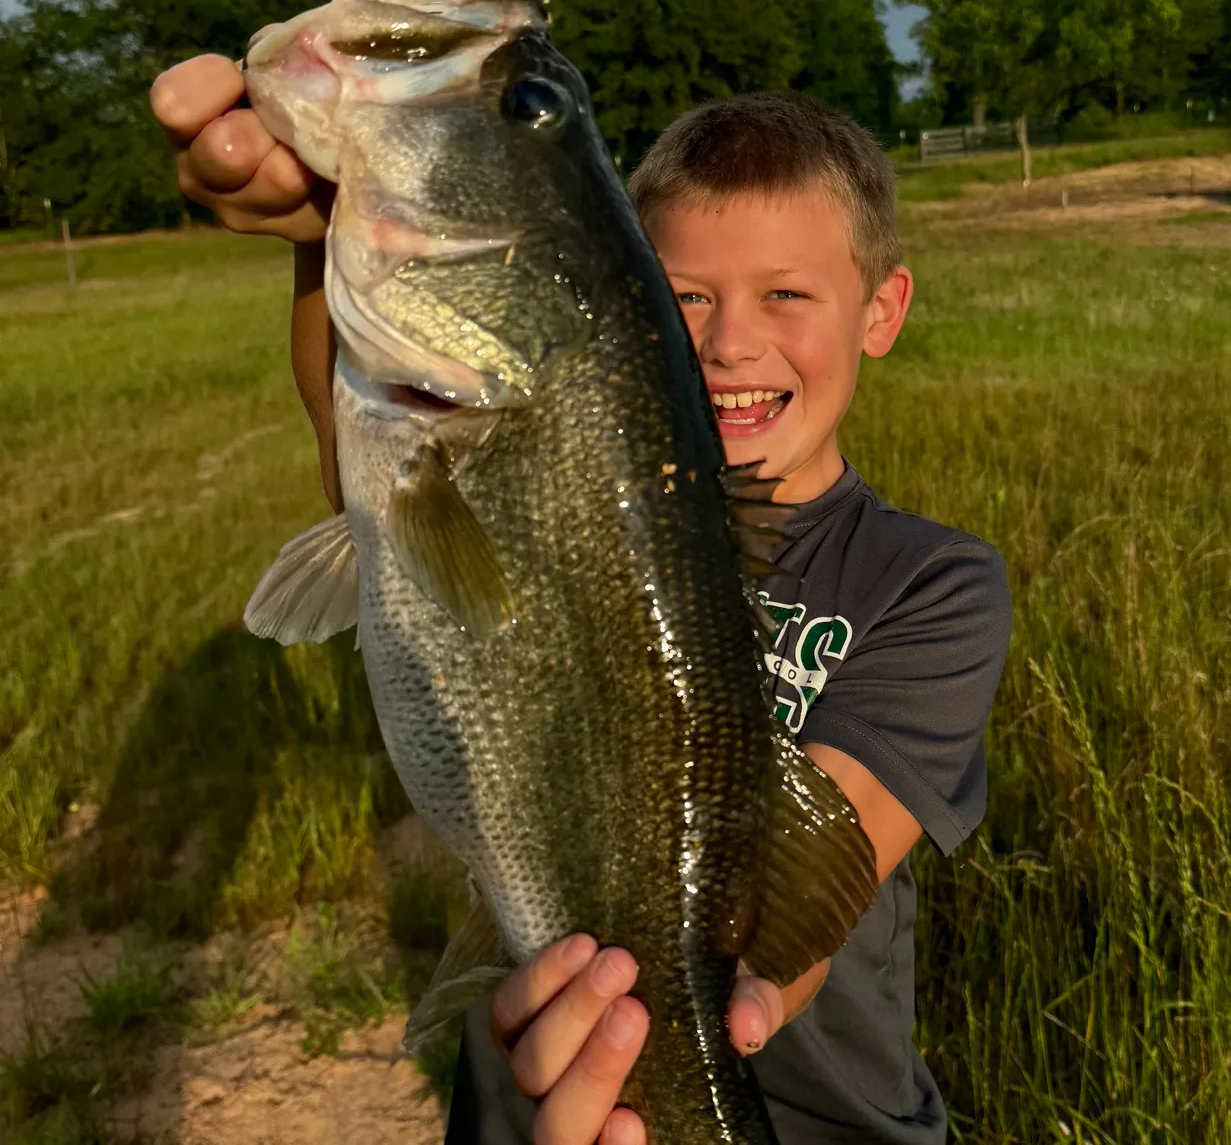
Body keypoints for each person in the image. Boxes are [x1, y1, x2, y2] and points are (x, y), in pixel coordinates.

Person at [152, 57, 1011, 1145]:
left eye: (784, 294)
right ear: (626, 305)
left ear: (880, 310)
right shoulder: (552, 492)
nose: (729, 342)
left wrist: (727, 1005)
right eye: (683, 295)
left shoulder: (932, 582)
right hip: (540, 1096)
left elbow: (809, 889)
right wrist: (323, 246)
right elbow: (377, 464)